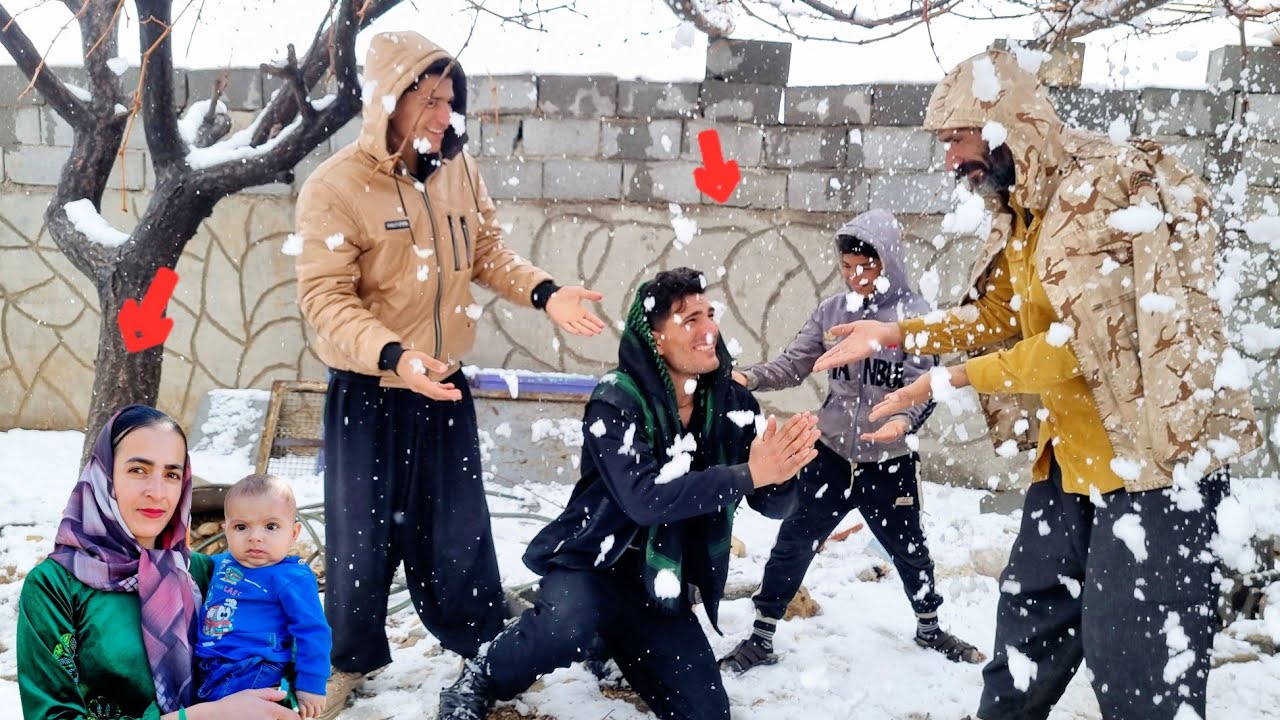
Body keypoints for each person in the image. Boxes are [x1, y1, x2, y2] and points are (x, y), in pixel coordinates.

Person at [813, 50, 1262, 720]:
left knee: (1135, 661)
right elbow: (1003, 316)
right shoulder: (1025, 201)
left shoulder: (1098, 192)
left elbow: (1075, 349)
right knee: (1027, 631)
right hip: (1074, 459)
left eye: (954, 140)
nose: (948, 161)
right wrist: (895, 335)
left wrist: (943, 380)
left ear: (1002, 125)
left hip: (1154, 462)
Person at [293, 30, 605, 715]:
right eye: (429, 99)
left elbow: (487, 249)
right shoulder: (336, 186)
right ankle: (347, 661)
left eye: (450, 99)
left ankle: (480, 653)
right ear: (388, 102)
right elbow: (325, 298)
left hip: (445, 385)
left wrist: (547, 292)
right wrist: (394, 354)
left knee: (459, 531)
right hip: (371, 389)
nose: (443, 114)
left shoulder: (458, 170)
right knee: (359, 541)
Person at [435, 267, 821, 720]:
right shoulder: (615, 400)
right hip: (592, 565)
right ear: (656, 339)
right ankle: (484, 672)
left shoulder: (731, 405)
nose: (709, 329)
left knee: (707, 712)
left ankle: (612, 645)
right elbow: (645, 500)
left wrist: (782, 472)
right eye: (689, 319)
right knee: (566, 624)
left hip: (661, 579)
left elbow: (770, 503)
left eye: (709, 314)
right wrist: (748, 474)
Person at [718, 208, 983, 675]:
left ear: (889, 261)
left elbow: (924, 384)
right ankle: (761, 638)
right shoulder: (831, 313)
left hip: (890, 460)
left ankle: (929, 626)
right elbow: (793, 364)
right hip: (832, 456)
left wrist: (900, 422)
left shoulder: (916, 320)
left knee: (909, 548)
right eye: (847, 268)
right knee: (793, 541)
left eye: (867, 266)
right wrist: (748, 376)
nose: (856, 276)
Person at [17, 405, 298, 720]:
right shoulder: (56, 586)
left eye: (171, 474)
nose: (157, 491)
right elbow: (51, 715)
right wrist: (198, 717)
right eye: (138, 470)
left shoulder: (210, 575)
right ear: (104, 475)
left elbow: (281, 673)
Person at [194, 474, 331, 718]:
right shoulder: (221, 564)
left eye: (270, 526)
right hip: (211, 662)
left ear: (294, 532)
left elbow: (313, 630)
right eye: (241, 527)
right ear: (226, 531)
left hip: (255, 667)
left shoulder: (291, 577)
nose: (255, 537)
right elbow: (190, 566)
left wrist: (312, 684)